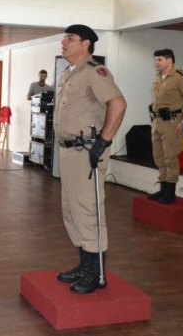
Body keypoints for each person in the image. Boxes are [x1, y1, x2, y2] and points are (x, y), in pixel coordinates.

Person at [54, 24, 126, 294]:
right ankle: (85, 264)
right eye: (64, 38)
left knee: (87, 209)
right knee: (71, 210)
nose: (63, 43)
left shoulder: (94, 71)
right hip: (69, 151)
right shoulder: (70, 73)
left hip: (87, 153)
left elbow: (118, 103)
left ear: (85, 44)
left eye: (69, 39)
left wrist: (104, 141)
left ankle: (96, 273)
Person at [148, 49, 183, 204]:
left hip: (172, 122)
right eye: (155, 60)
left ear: (169, 60)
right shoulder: (158, 77)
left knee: (170, 157)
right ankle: (163, 187)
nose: (156, 63)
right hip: (157, 121)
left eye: (159, 60)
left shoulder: (180, 77)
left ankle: (170, 191)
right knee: (159, 157)